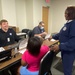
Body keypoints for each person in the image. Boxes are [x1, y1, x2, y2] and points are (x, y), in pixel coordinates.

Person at [50, 6, 75, 75]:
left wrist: (59, 46)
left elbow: (73, 42)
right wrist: (52, 36)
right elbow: (61, 34)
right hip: (65, 50)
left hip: (69, 52)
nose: (64, 15)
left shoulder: (73, 24)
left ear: (70, 14)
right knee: (65, 68)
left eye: (66, 13)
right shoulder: (68, 23)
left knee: (67, 70)